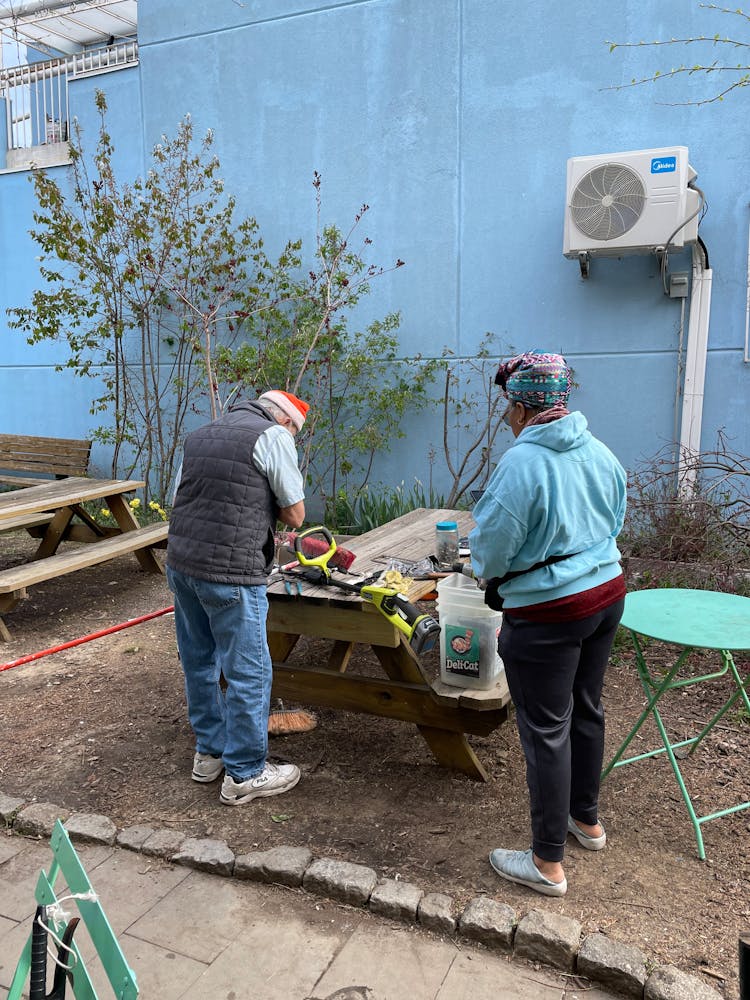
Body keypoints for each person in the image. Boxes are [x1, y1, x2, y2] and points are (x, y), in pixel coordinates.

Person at [469, 351, 626, 896]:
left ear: (518, 406)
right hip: (607, 593)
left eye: (506, 407)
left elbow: (488, 555)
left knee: (545, 730)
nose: (506, 417)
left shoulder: (521, 464)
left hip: (550, 612)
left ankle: (546, 863)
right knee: (586, 707)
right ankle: (587, 820)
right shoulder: (599, 450)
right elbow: (615, 518)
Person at [166, 389, 309, 806]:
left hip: (183, 564)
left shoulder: (201, 434)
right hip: (231, 572)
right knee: (249, 670)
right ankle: (245, 772)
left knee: (199, 660)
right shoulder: (273, 436)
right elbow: (295, 513)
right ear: (286, 423)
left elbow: (181, 499)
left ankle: (209, 754)